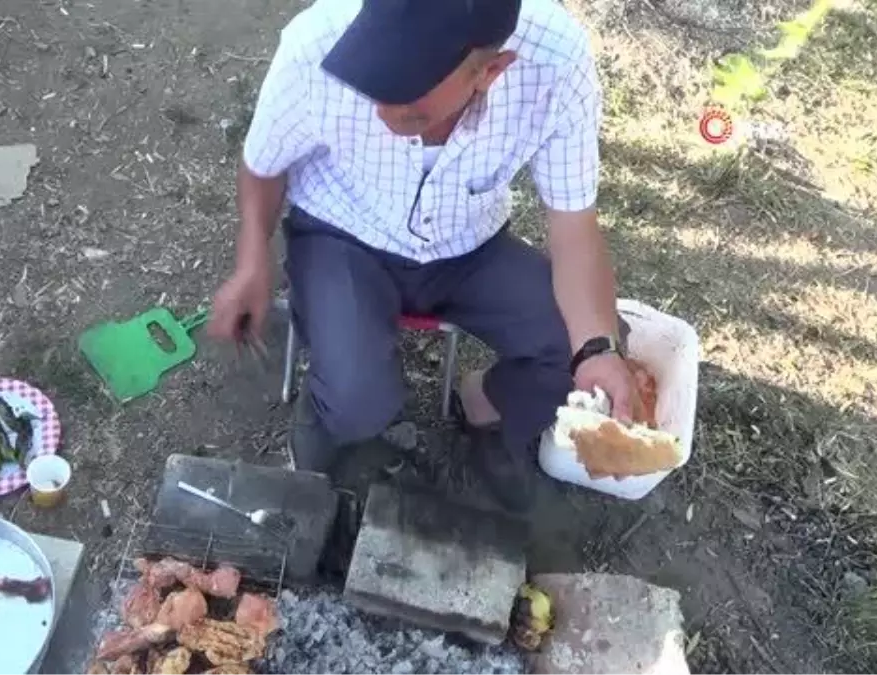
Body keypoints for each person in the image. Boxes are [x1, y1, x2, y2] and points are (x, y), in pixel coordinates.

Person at [208, 0, 642, 511]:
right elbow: (262, 164)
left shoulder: (556, 61)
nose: (382, 114)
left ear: (488, 72)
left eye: (410, 109)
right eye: (373, 87)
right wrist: (252, 257)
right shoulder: (317, 41)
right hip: (343, 232)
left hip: (467, 244)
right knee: (356, 401)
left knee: (592, 347)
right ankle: (327, 414)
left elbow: (573, 226)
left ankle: (482, 405)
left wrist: (595, 349)